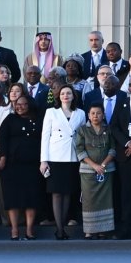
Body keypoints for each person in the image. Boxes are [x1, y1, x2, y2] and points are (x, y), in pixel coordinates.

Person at [38, 85, 83, 240]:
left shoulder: (80, 113)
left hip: (73, 157)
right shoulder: (51, 112)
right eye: (63, 93)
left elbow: (82, 135)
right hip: (55, 157)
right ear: (59, 96)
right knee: (57, 194)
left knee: (68, 193)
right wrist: (43, 160)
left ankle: (63, 225)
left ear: (73, 96)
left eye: (68, 93)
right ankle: (59, 228)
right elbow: (45, 136)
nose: (65, 95)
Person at [0, 95, 43, 241]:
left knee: (31, 197)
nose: (20, 106)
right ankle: (14, 229)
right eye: (17, 104)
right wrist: (3, 157)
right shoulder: (10, 119)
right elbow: (2, 138)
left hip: (33, 164)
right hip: (11, 164)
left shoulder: (38, 119)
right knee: (13, 197)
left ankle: (29, 229)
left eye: (24, 104)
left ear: (30, 105)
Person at [74, 104, 116, 238]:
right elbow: (79, 150)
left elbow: (113, 149)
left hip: (106, 170)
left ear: (103, 115)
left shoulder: (108, 129)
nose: (95, 116)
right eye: (92, 113)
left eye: (98, 113)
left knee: (105, 199)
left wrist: (103, 165)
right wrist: (94, 166)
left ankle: (103, 229)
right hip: (88, 171)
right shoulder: (82, 130)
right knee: (89, 199)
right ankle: (89, 230)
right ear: (88, 115)